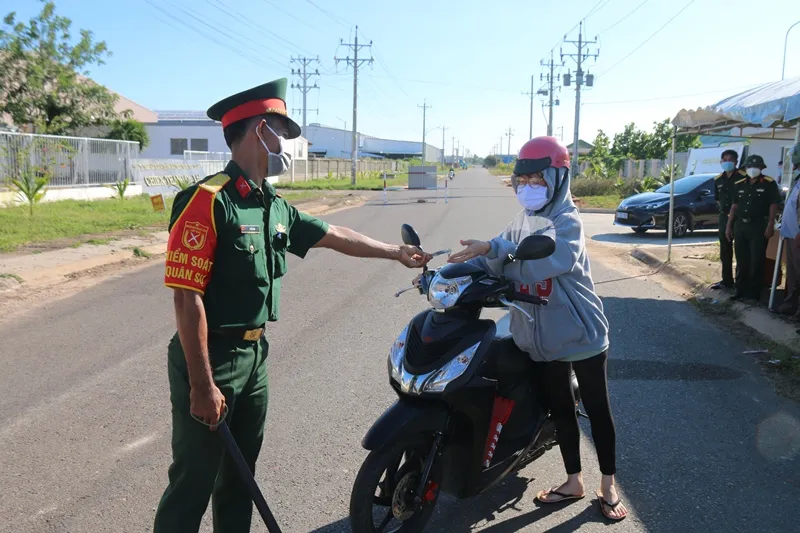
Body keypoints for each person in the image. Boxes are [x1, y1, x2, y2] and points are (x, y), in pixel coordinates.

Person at [152, 77, 432, 533]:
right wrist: (202, 384)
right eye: (281, 131)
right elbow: (187, 298)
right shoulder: (208, 201)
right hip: (211, 358)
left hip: (254, 356)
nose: (287, 144)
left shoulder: (273, 206)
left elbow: (335, 235)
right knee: (193, 481)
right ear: (260, 130)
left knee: (240, 479)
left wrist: (393, 252)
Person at [447, 136, 627, 521]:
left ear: (558, 177)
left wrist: (498, 255)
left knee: (597, 411)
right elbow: (500, 247)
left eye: (537, 179)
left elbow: (537, 264)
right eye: (522, 180)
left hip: (581, 335)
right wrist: (454, 271)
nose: (528, 188)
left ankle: (608, 486)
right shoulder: (524, 220)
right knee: (561, 410)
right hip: (540, 337)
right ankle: (574, 481)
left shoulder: (568, 222)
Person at [725, 154, 780, 302]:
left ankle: (754, 294)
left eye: (756, 167)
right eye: (750, 167)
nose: (753, 169)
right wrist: (729, 226)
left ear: (761, 168)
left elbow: (773, 205)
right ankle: (740, 290)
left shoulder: (769, 183)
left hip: (758, 226)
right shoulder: (740, 184)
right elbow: (734, 206)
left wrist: (770, 224)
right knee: (741, 260)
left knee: (757, 260)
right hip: (740, 226)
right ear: (745, 168)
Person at [711, 149, 746, 291]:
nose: (727, 162)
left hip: (739, 219)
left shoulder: (744, 177)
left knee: (741, 251)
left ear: (736, 161)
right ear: (721, 162)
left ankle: (741, 283)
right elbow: (718, 199)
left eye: (730, 159)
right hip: (724, 217)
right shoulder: (718, 179)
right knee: (725, 250)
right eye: (724, 160)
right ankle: (726, 281)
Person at [776, 143, 800, 317]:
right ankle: (791, 305)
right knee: (792, 273)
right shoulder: (797, 180)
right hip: (790, 234)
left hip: (798, 236)